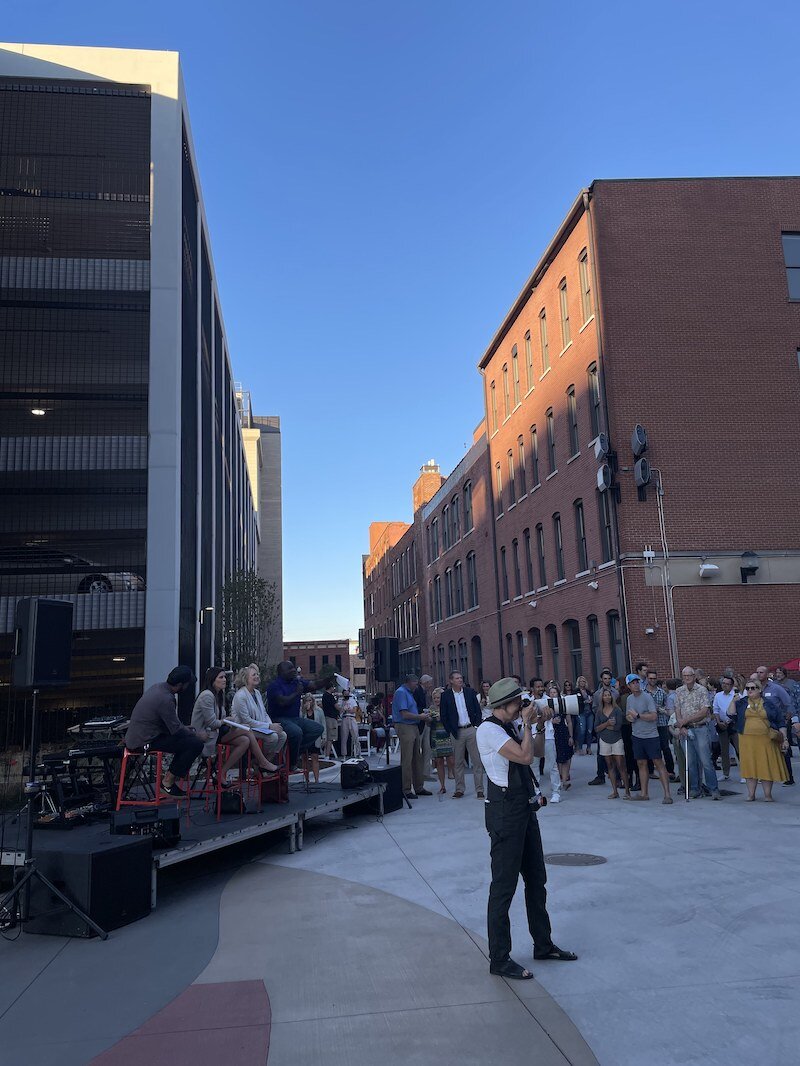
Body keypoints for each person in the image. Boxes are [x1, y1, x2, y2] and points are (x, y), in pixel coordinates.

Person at [477, 677, 577, 980]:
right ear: (504, 705)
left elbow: (535, 751)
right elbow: (523, 756)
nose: (523, 706)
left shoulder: (512, 726)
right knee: (504, 886)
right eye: (518, 702)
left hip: (524, 808)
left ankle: (543, 944)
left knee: (537, 879)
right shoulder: (489, 730)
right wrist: (527, 722)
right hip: (505, 812)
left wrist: (540, 724)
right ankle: (499, 958)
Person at [124, 666, 206, 797]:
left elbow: (170, 725)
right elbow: (176, 730)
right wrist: (196, 734)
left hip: (142, 737)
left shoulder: (157, 687)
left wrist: (186, 729)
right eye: (187, 685)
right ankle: (167, 783)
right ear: (180, 685)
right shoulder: (166, 699)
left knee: (189, 739)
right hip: (145, 742)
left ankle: (169, 781)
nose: (187, 688)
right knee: (195, 744)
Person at [192, 667, 279, 784]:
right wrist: (226, 721)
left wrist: (227, 721)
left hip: (217, 733)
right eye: (221, 677)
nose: (224, 680)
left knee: (245, 740)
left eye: (225, 677)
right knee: (247, 730)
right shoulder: (207, 695)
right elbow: (212, 723)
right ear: (212, 680)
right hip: (206, 735)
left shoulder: (218, 695)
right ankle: (262, 763)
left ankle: (222, 772)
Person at [733, 679, 788, 800]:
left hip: (766, 739)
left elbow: (780, 721)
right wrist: (733, 700)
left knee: (765, 764)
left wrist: (785, 739)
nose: (750, 690)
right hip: (746, 739)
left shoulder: (769, 703)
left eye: (753, 688)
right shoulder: (741, 702)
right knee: (749, 766)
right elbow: (730, 714)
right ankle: (751, 794)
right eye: (747, 688)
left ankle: (768, 795)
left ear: (759, 689)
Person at [266, 661, 323, 769]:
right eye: (290, 669)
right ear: (282, 672)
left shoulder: (296, 682)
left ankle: (293, 751)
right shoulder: (274, 685)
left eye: (294, 668)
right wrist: (297, 693)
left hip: (295, 718)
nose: (294, 671)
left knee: (317, 728)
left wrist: (328, 680)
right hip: (278, 718)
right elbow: (283, 702)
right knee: (296, 732)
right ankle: (292, 763)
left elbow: (313, 685)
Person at [625, 673, 673, 803]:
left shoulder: (647, 697)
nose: (636, 685)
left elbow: (654, 716)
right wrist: (630, 718)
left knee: (658, 762)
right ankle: (644, 793)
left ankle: (667, 795)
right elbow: (629, 716)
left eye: (637, 682)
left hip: (651, 735)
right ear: (628, 685)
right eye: (633, 683)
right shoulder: (629, 699)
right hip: (637, 735)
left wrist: (638, 716)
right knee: (641, 763)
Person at [229, 664, 288, 767]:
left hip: (259, 727)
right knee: (273, 737)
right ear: (246, 678)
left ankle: (263, 762)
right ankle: (261, 761)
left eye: (257, 674)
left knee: (282, 735)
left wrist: (271, 725)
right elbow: (246, 721)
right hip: (245, 728)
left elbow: (264, 713)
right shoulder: (240, 696)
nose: (257, 676)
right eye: (253, 675)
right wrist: (269, 727)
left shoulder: (257, 693)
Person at [675, 666, 720, 800]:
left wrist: (685, 721)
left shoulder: (702, 690)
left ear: (694, 676)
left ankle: (714, 789)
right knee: (690, 761)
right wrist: (681, 726)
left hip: (700, 728)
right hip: (685, 729)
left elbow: (703, 712)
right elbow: (677, 710)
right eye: (685, 676)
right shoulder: (679, 691)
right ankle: (695, 788)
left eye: (689, 675)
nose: (687, 678)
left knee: (706, 760)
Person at [440, 670, 485, 799]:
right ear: (451, 681)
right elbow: (444, 715)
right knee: (458, 761)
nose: (460, 680)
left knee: (476, 760)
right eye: (457, 678)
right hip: (456, 731)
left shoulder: (470, 693)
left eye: (461, 678)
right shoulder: (446, 696)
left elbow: (477, 710)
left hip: (471, 728)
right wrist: (450, 730)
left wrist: (476, 725)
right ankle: (459, 789)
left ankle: (479, 789)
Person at [392, 672, 432, 799]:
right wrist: (420, 716)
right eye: (415, 684)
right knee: (407, 759)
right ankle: (406, 789)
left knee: (417, 757)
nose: (416, 686)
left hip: (414, 726)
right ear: (408, 682)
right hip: (405, 726)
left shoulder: (409, 693)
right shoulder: (401, 693)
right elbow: (404, 713)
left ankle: (419, 787)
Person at [594, 687, 630, 799]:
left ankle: (627, 791)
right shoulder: (599, 711)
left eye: (609, 695)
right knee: (609, 765)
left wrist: (604, 726)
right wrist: (607, 723)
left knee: (621, 765)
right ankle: (615, 791)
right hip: (604, 740)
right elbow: (596, 728)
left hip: (616, 739)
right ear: (602, 698)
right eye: (605, 695)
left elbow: (617, 727)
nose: (607, 697)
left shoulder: (617, 710)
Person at [588, 669, 620, 786]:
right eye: (605, 678)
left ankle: (617, 776)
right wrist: (603, 715)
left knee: (615, 751)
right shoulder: (597, 694)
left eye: (608, 678)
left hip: (614, 723)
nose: (607, 680)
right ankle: (600, 775)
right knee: (601, 752)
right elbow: (595, 708)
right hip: (602, 724)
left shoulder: (616, 693)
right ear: (601, 680)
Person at [645, 667, 677, 780]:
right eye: (650, 678)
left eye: (654, 678)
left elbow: (668, 709)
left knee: (665, 747)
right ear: (647, 678)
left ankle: (670, 771)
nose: (652, 680)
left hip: (661, 723)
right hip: (648, 724)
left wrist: (660, 709)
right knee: (650, 748)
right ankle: (650, 771)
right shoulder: (643, 692)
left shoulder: (662, 692)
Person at [712, 674, 741, 781]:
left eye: (727, 684)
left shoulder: (737, 696)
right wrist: (718, 721)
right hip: (722, 725)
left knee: (739, 750)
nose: (725, 686)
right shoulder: (718, 695)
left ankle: (744, 773)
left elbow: (738, 711)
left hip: (734, 725)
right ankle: (725, 773)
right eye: (723, 683)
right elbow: (715, 710)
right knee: (724, 751)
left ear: (732, 685)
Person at [427, 686, 455, 793]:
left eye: (438, 698)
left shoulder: (448, 707)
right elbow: (428, 724)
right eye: (435, 698)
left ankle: (456, 780)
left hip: (447, 734)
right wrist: (429, 719)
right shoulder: (431, 709)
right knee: (439, 761)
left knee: (451, 760)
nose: (437, 700)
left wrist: (443, 718)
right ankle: (442, 786)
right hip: (435, 735)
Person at [548, 682, 574, 792]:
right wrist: (551, 721)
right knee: (557, 758)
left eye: (555, 692)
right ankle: (558, 780)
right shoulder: (547, 706)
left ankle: (564, 780)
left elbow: (569, 721)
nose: (553, 694)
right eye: (551, 693)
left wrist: (571, 736)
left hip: (563, 732)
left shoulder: (563, 705)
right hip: (553, 733)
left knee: (566, 757)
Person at [414, 674, 436, 781]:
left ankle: (426, 772)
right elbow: (415, 707)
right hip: (420, 723)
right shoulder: (417, 692)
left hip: (425, 723)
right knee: (419, 749)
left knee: (427, 748)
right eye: (430, 683)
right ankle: (419, 773)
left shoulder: (425, 693)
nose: (431, 685)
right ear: (425, 683)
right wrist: (424, 711)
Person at [301, 693, 325, 782]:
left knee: (315, 757)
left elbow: (323, 723)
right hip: (305, 738)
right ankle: (306, 779)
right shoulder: (302, 712)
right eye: (306, 701)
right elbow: (300, 722)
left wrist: (324, 736)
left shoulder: (319, 710)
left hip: (315, 737)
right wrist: (304, 710)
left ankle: (316, 780)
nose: (308, 702)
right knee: (304, 758)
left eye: (310, 700)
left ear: (313, 701)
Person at [321, 678, 340, 760]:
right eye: (333, 687)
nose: (334, 688)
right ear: (331, 687)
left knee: (327, 736)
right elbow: (337, 707)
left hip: (326, 717)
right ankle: (327, 755)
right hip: (331, 719)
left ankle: (324, 753)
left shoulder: (324, 696)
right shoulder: (330, 696)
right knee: (330, 738)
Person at [574, 676, 594, 755]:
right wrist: (584, 702)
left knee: (589, 730)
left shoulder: (588, 691)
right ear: (578, 683)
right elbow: (575, 701)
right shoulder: (576, 691)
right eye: (581, 681)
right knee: (582, 730)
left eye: (584, 681)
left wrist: (591, 700)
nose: (582, 683)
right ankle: (580, 747)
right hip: (581, 712)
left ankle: (589, 747)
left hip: (589, 712)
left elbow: (592, 698)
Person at [339, 689, 359, 759]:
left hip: (352, 718)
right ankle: (344, 755)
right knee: (344, 737)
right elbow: (340, 711)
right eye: (345, 694)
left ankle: (358, 753)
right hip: (344, 718)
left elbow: (354, 710)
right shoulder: (341, 701)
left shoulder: (352, 700)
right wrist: (343, 708)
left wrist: (347, 709)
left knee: (355, 736)